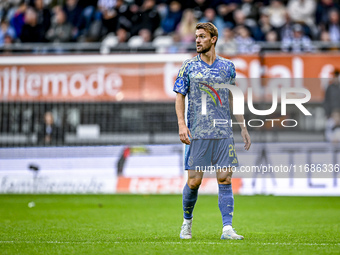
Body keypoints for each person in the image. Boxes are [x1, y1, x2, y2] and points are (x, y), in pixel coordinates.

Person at [173, 22, 251, 240]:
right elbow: (179, 95)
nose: (197, 40)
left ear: (213, 39)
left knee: (225, 178)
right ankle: (186, 222)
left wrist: (242, 126)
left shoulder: (228, 67)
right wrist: (181, 124)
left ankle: (227, 229)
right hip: (198, 133)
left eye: (202, 36)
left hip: (223, 132)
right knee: (194, 182)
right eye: (196, 37)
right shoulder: (188, 66)